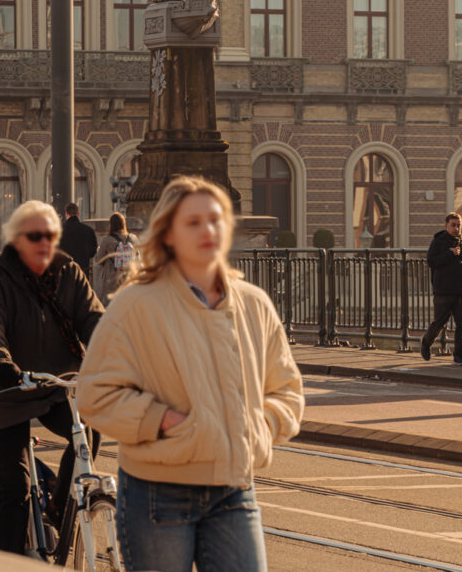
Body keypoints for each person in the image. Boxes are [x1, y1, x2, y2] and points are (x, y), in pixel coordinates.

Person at [76, 175, 304, 572]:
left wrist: (259, 427)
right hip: (158, 492)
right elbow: (95, 393)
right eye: (193, 222)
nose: (208, 230)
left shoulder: (254, 304)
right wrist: (160, 420)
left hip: (235, 488)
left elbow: (287, 390)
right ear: (168, 234)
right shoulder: (135, 305)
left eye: (215, 220)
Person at [0, 199, 104, 555]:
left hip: (52, 383)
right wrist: (1, 365)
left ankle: (60, 507)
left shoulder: (69, 272)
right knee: (16, 484)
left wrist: (118, 352)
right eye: (34, 236)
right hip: (5, 388)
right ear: (17, 240)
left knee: (86, 436)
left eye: (50, 235)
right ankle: (11, 560)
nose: (44, 243)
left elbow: (94, 318)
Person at [421, 210, 462, 366]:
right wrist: (448, 254)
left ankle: (458, 355)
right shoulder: (438, 242)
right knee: (439, 322)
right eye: (453, 225)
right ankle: (426, 343)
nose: (456, 228)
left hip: (461, 290)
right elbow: (431, 261)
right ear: (446, 226)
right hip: (443, 290)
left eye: (459, 225)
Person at [92, 212, 139, 305]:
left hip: (112, 278)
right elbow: (138, 257)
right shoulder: (133, 238)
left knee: (111, 304)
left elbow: (98, 259)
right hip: (129, 277)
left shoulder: (107, 240)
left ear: (111, 225)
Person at [59, 201, 98, 275]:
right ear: (78, 214)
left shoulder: (59, 230)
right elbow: (93, 250)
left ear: (66, 214)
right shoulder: (88, 230)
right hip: (83, 269)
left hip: (65, 270)